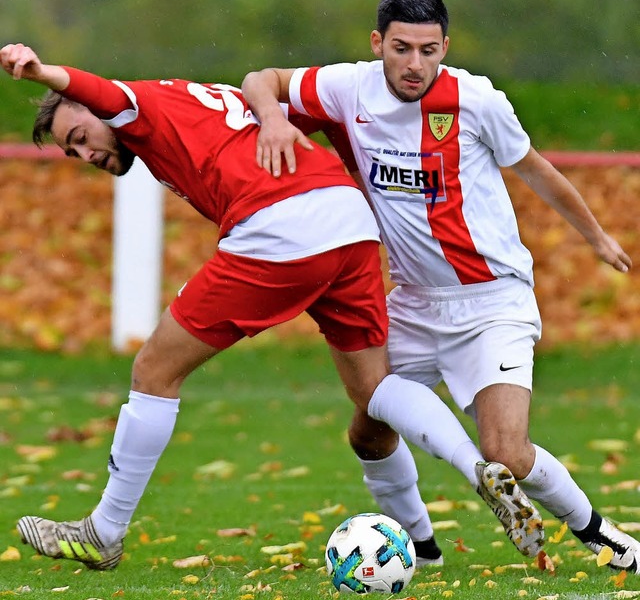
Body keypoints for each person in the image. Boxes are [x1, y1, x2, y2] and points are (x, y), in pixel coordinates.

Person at [0, 41, 451, 570]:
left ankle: (104, 531)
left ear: (103, 115)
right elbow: (314, 111)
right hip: (347, 221)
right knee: (373, 398)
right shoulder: (195, 98)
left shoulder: (135, 105)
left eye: (80, 138)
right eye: (71, 153)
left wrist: (41, 72)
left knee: (153, 369)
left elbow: (96, 88)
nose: (85, 156)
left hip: (279, 229)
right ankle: (432, 535)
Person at [241, 0, 640, 573]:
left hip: (492, 302)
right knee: (368, 433)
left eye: (429, 50)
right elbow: (260, 80)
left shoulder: (476, 101)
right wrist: (273, 120)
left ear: (445, 47)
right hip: (415, 304)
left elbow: (538, 171)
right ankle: (419, 549)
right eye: (401, 48)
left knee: (506, 452)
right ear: (378, 43)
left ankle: (604, 537)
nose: (414, 64)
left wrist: (596, 236)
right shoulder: (349, 86)